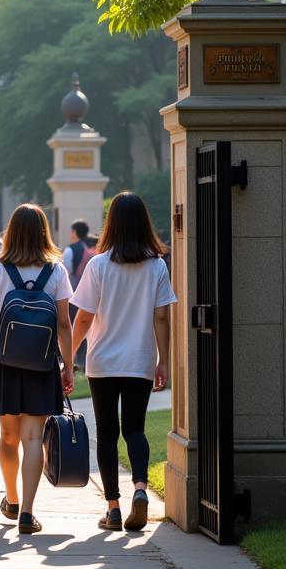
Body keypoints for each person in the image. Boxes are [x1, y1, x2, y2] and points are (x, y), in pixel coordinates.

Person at [70, 192, 176, 533]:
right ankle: (141, 489)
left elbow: (84, 318)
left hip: (102, 360)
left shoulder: (98, 265)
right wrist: (164, 361)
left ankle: (113, 508)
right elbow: (161, 317)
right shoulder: (157, 266)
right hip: (140, 360)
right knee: (135, 429)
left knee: (107, 432)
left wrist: (68, 355)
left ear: (111, 223)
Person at [0, 204, 74, 535]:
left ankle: (11, 499)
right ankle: (28, 511)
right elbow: (63, 323)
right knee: (33, 438)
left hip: (4, 362)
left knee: (9, 437)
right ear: (44, 231)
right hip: (42, 364)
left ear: (10, 231)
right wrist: (68, 366)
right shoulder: (55, 270)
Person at [62, 219, 95, 371]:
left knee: (73, 328)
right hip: (92, 295)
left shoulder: (70, 250)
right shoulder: (92, 247)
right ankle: (83, 362)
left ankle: (72, 360)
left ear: (74, 232)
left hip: (73, 296)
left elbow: (65, 273)